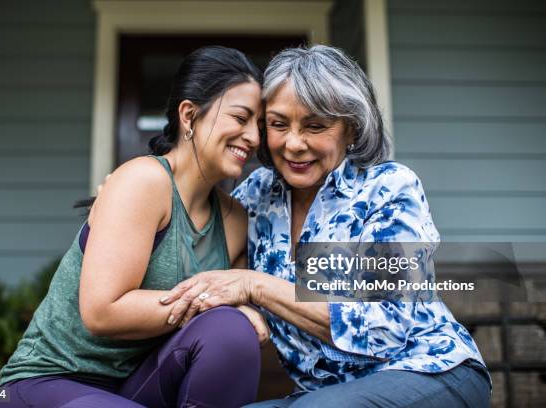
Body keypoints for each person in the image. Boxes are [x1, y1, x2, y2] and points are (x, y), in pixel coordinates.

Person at [159, 45, 492, 407]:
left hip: (430, 371)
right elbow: (203, 265)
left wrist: (255, 286)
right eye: (278, 124)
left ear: (351, 129)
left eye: (315, 126)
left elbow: (386, 326)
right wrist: (135, 199)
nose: (294, 144)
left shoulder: (388, 188)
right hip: (325, 395)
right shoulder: (255, 197)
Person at [0, 46, 269, 408]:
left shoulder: (234, 219)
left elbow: (237, 314)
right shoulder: (144, 181)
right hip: (50, 380)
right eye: (240, 118)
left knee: (231, 332)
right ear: (189, 116)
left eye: (260, 125)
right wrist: (214, 304)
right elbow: (102, 311)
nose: (253, 137)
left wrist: (241, 311)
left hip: (139, 385)